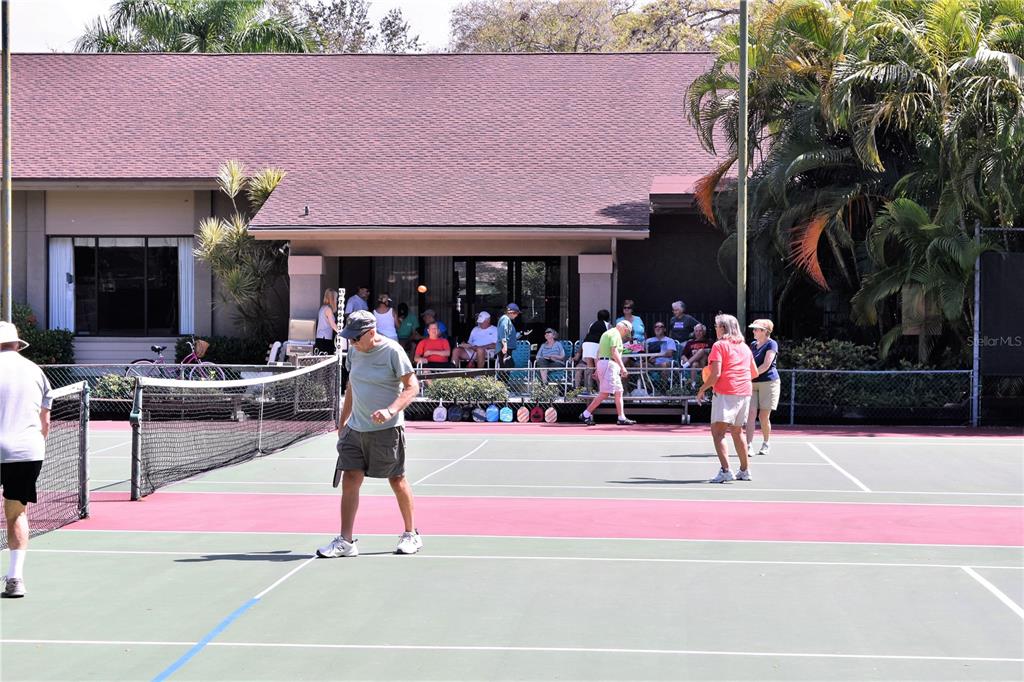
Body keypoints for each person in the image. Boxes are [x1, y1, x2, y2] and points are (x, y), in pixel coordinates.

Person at [317, 310, 421, 558]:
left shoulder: (392, 351)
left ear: (371, 332)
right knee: (350, 479)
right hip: (356, 429)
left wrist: (390, 410)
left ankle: (411, 534)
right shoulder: (354, 351)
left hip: (387, 429)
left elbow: (412, 386)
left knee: (396, 479)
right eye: (349, 338)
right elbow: (352, 384)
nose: (351, 343)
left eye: (355, 338)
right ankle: (346, 541)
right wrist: (343, 422)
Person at [0, 322, 53, 598]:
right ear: (17, 345)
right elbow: (45, 421)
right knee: (16, 512)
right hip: (26, 452)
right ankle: (15, 578)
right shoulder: (36, 371)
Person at [696, 314, 758, 483]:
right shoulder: (745, 347)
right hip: (744, 392)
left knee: (718, 433)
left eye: (716, 326)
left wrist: (702, 389)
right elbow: (754, 373)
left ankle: (726, 471)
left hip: (726, 392)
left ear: (723, 328)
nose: (715, 329)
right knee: (738, 431)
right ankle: (745, 471)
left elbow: (715, 374)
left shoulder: (719, 345)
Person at [578, 319, 636, 426]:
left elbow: (599, 352)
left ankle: (621, 417)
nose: (626, 335)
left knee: (618, 391)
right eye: (627, 332)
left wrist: (597, 367)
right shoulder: (615, 334)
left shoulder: (607, 333)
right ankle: (585, 414)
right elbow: (614, 352)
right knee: (605, 393)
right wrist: (623, 367)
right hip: (609, 364)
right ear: (625, 329)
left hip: (605, 363)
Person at [746, 319, 780, 457]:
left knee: (763, 416)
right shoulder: (753, 345)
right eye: (753, 329)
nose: (753, 331)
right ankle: (748, 445)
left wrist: (749, 375)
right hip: (752, 383)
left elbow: (766, 365)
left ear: (765, 331)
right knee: (751, 414)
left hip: (769, 382)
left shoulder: (772, 344)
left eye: (756, 329)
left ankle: (766, 443)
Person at [575, 309, 611, 390]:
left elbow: (589, 334)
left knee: (590, 368)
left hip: (587, 344)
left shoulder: (592, 324)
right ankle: (601, 390)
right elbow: (608, 338)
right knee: (598, 368)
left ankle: (589, 389)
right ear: (608, 317)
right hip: (596, 345)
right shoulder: (608, 325)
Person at [314, 289, 339, 355]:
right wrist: (341, 333)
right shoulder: (328, 309)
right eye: (336, 298)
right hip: (325, 338)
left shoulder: (323, 308)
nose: (337, 300)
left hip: (320, 337)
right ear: (332, 299)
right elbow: (332, 325)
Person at [495, 303, 521, 368]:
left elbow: (509, 335)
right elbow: (503, 332)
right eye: (516, 313)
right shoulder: (505, 319)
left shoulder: (507, 319)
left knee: (508, 366)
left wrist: (521, 334)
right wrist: (505, 346)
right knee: (506, 367)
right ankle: (501, 378)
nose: (517, 315)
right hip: (504, 348)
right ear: (512, 312)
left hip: (507, 348)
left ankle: (502, 377)